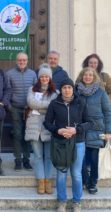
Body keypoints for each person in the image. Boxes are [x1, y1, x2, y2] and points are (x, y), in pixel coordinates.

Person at [44, 78, 93, 212]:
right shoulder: (54, 104)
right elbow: (47, 123)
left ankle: (77, 201)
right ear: (61, 89)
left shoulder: (80, 103)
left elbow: (89, 122)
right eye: (64, 87)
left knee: (76, 173)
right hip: (60, 142)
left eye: (69, 87)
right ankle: (62, 201)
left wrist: (76, 130)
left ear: (73, 89)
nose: (67, 90)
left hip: (77, 142)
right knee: (61, 173)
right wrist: (58, 130)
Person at [75, 67, 111, 195]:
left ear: (94, 77)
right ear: (81, 76)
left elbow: (107, 112)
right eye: (85, 74)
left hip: (96, 129)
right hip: (80, 129)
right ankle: (85, 180)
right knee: (80, 157)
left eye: (90, 75)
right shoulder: (76, 92)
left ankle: (93, 182)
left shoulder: (101, 93)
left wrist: (109, 131)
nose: (87, 77)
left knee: (94, 157)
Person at [25, 64, 59, 194]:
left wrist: (38, 108)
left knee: (49, 156)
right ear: (39, 78)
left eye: (46, 76)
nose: (44, 79)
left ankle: (48, 181)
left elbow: (55, 107)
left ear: (50, 78)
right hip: (34, 127)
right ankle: (41, 182)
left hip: (49, 127)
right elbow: (31, 103)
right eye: (42, 76)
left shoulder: (56, 93)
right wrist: (47, 106)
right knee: (38, 156)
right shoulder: (32, 90)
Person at [6, 52, 36, 172]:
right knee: (17, 135)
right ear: (16, 61)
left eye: (24, 60)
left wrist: (33, 106)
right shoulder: (9, 74)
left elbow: (36, 91)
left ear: (27, 61)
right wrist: (9, 107)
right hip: (15, 109)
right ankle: (18, 160)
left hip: (29, 110)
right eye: (20, 60)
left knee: (27, 135)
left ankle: (26, 160)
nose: (22, 62)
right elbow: (7, 91)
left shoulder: (33, 74)